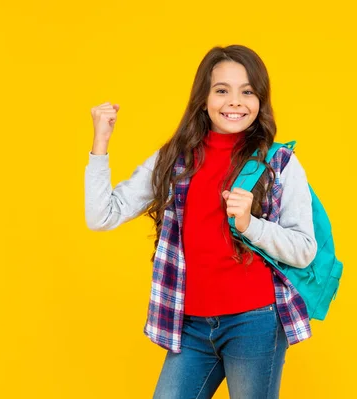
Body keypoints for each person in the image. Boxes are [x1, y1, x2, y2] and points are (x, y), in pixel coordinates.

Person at [84, 44, 317, 399]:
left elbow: (304, 250)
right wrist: (100, 143)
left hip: (255, 322)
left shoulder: (279, 162)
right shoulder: (176, 158)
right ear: (203, 99)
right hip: (190, 325)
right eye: (222, 90)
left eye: (247, 92)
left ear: (260, 100)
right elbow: (103, 216)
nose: (234, 102)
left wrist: (250, 225)